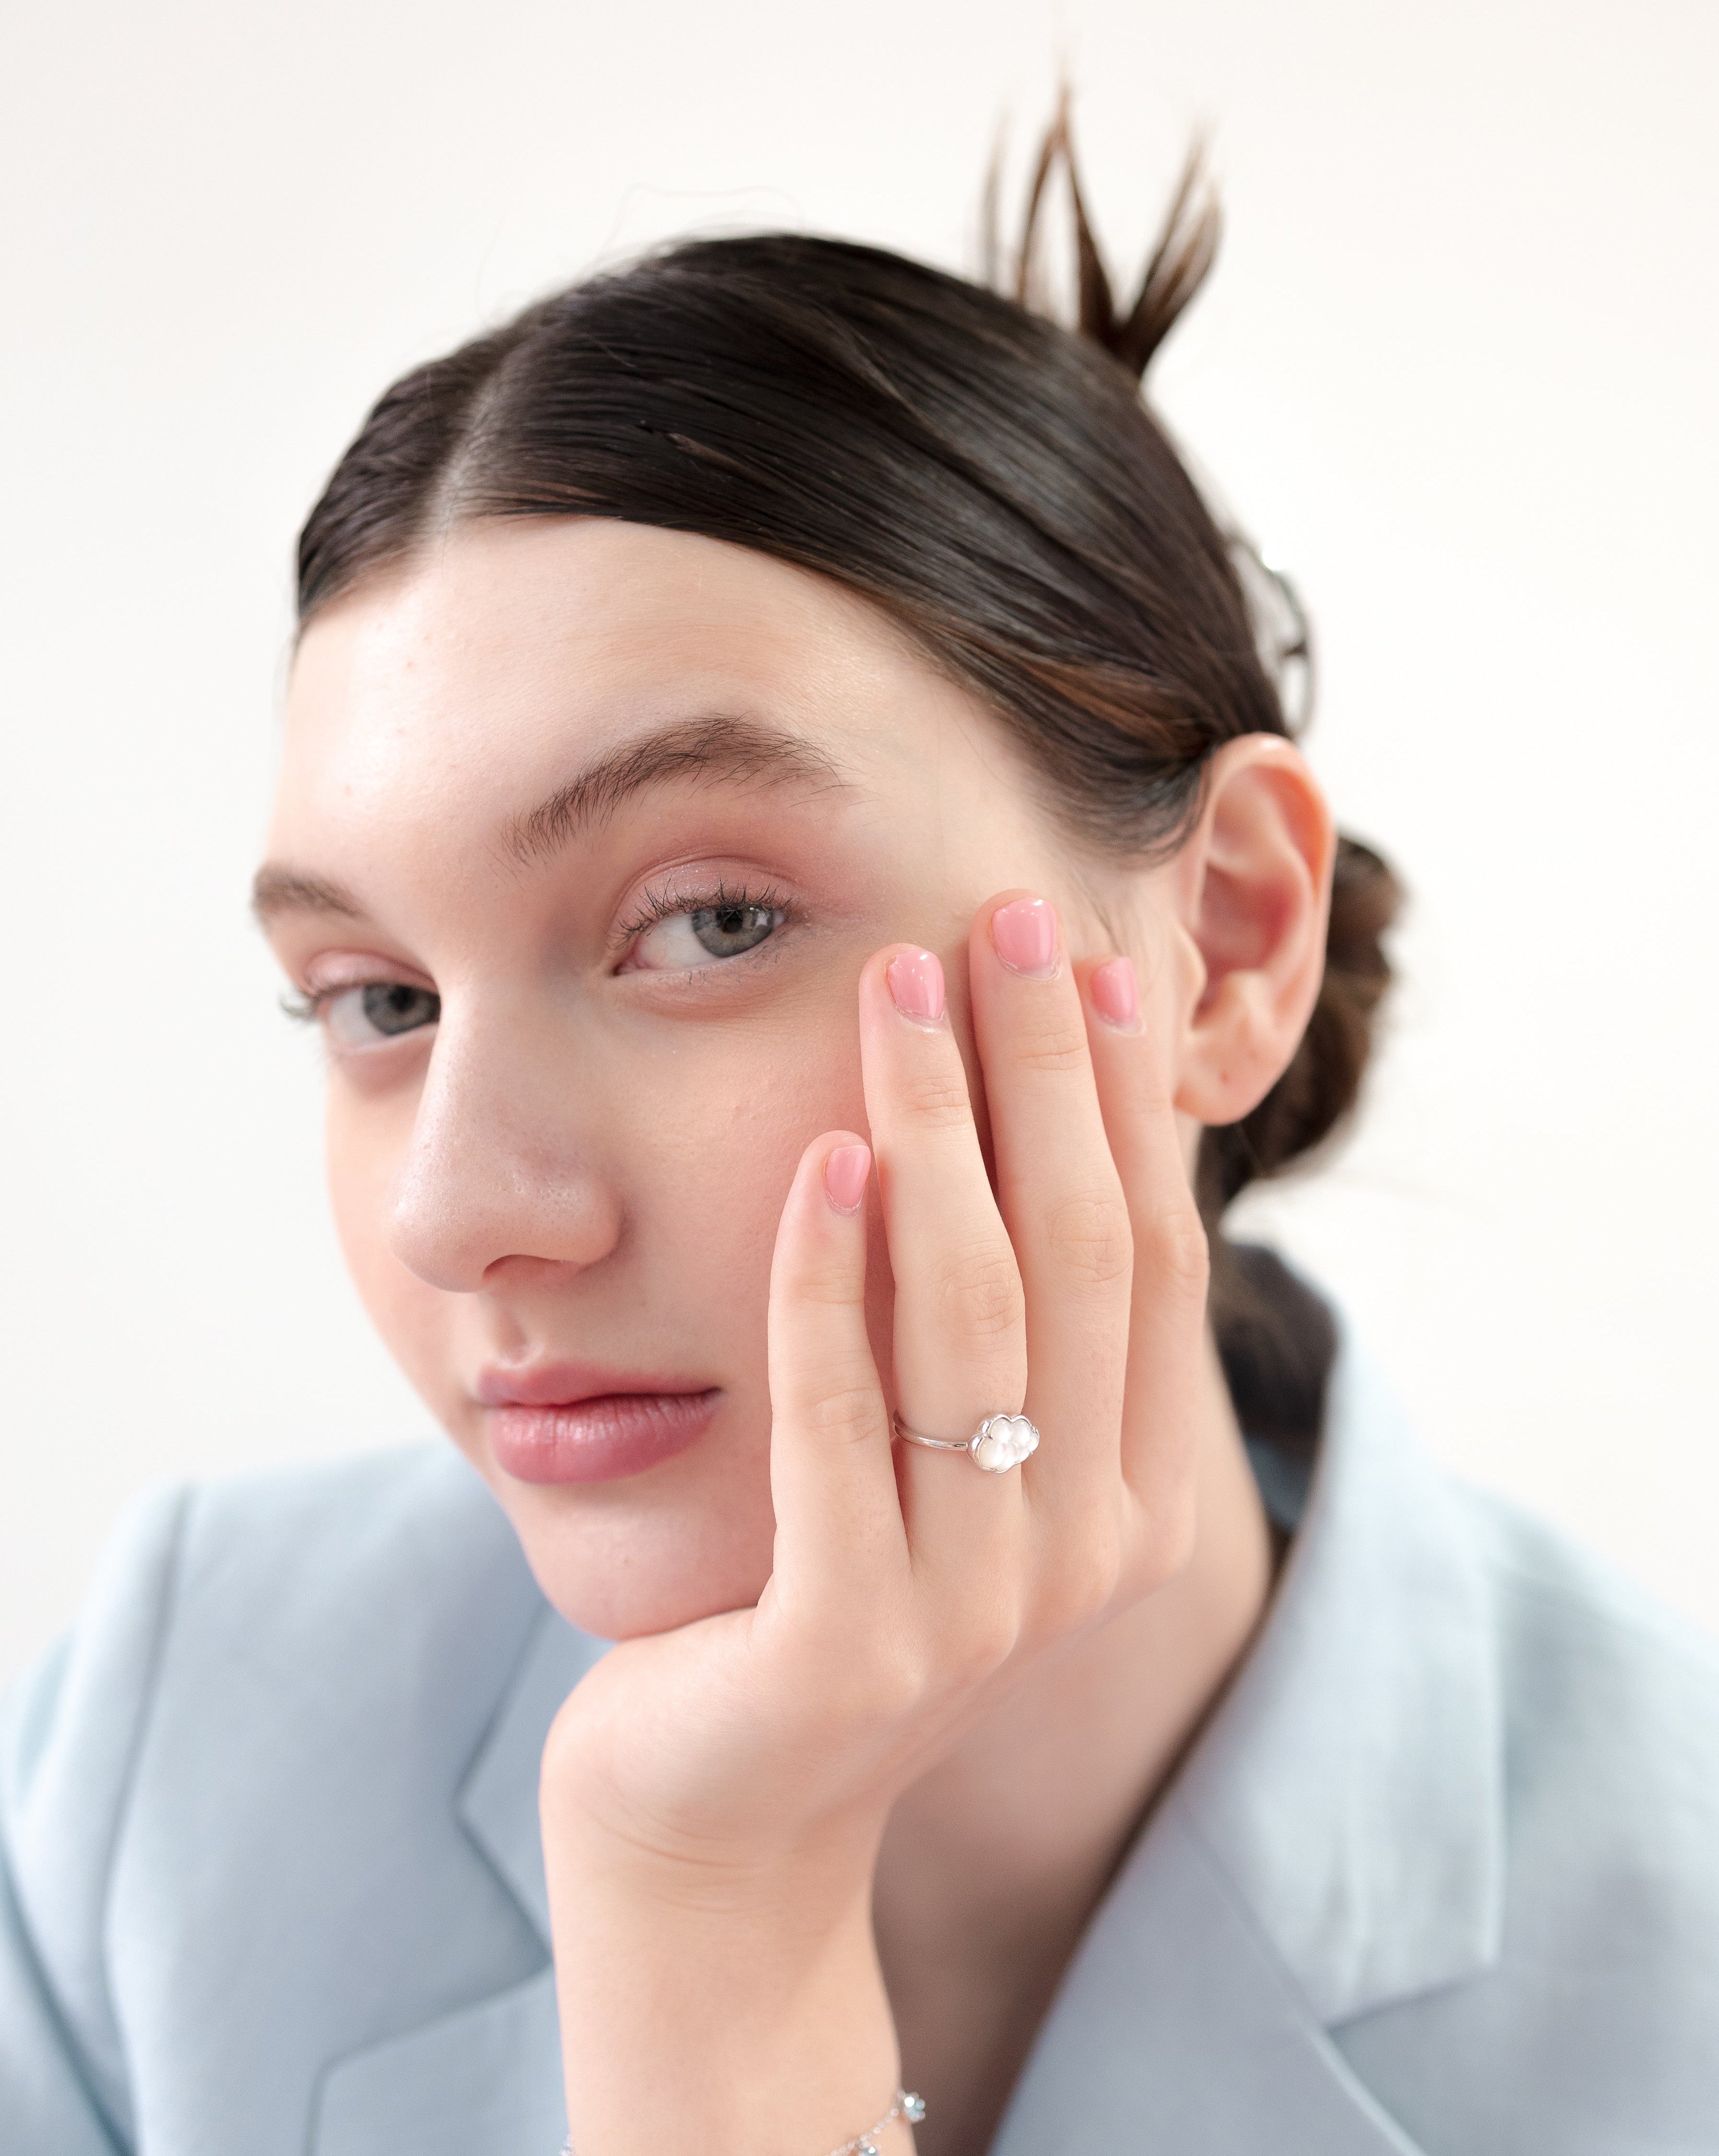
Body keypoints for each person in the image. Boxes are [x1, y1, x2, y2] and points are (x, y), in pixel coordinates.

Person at [4, 117, 1717, 2156]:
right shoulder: (172, 1742)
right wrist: (698, 1907)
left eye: (710, 922)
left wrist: (719, 1956)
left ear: (1232, 940)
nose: (464, 1214)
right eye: (381, 1001)